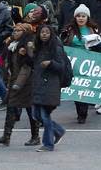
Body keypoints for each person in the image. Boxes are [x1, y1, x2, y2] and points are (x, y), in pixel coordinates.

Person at [0, 23, 40, 146]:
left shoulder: (29, 44)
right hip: (14, 80)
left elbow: (32, 62)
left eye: (18, 30)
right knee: (11, 106)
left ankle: (35, 136)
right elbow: (7, 62)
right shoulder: (11, 45)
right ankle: (6, 136)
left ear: (25, 32)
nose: (15, 32)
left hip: (27, 82)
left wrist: (27, 52)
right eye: (14, 30)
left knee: (30, 109)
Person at [30, 23, 67, 152]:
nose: (44, 34)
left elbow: (62, 66)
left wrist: (50, 63)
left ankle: (48, 144)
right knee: (36, 115)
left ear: (51, 34)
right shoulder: (38, 48)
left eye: (47, 32)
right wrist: (28, 51)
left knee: (44, 116)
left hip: (50, 85)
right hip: (38, 85)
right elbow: (32, 64)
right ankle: (58, 130)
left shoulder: (55, 48)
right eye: (42, 32)